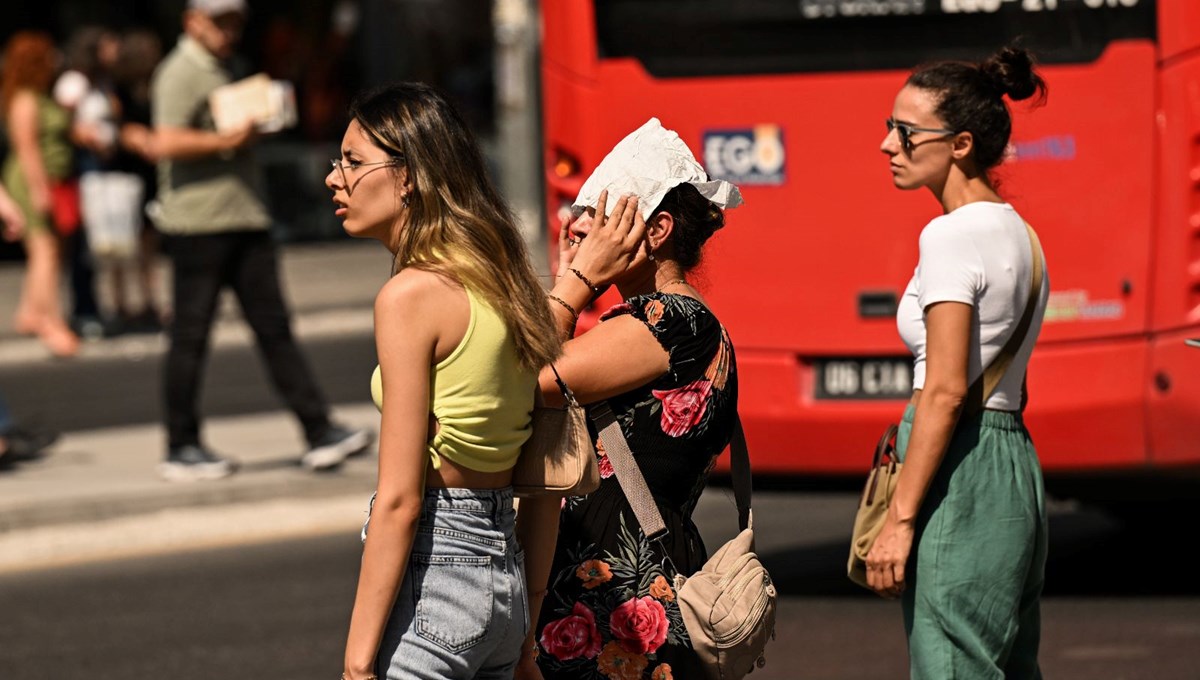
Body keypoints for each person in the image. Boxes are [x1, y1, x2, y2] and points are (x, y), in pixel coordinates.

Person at [326, 82, 561, 680]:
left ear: (408, 176)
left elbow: (400, 500)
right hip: (502, 576)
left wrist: (356, 666)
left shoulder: (409, 297)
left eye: (353, 162)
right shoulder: (505, 283)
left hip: (438, 574)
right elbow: (539, 473)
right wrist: (526, 631)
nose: (335, 178)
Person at [520, 118, 743, 680]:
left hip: (618, 595)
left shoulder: (672, 318)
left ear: (657, 229)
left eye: (598, 216)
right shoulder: (665, 319)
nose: (577, 228)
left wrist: (573, 284)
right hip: (618, 584)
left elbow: (528, 380)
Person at [867, 46, 1051, 678]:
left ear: (962, 144)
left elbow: (944, 390)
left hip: (961, 464)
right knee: (1009, 662)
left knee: (949, 664)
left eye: (907, 131)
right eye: (890, 127)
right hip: (1015, 464)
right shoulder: (1020, 233)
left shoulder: (949, 234)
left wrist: (900, 519)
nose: (889, 144)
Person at [150, 0, 371, 480]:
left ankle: (318, 430)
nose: (230, 31)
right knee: (191, 336)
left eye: (236, 22)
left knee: (274, 329)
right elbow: (163, 141)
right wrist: (225, 142)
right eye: (220, 22)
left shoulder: (223, 66)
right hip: (200, 224)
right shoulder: (180, 70)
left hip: (242, 217)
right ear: (193, 21)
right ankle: (180, 444)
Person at [1, 31, 82, 357]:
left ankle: (30, 311)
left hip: (54, 179)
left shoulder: (41, 95)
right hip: (33, 181)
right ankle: (51, 320)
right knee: (44, 250)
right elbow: (27, 149)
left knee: (48, 250)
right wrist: (38, 191)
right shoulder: (24, 100)